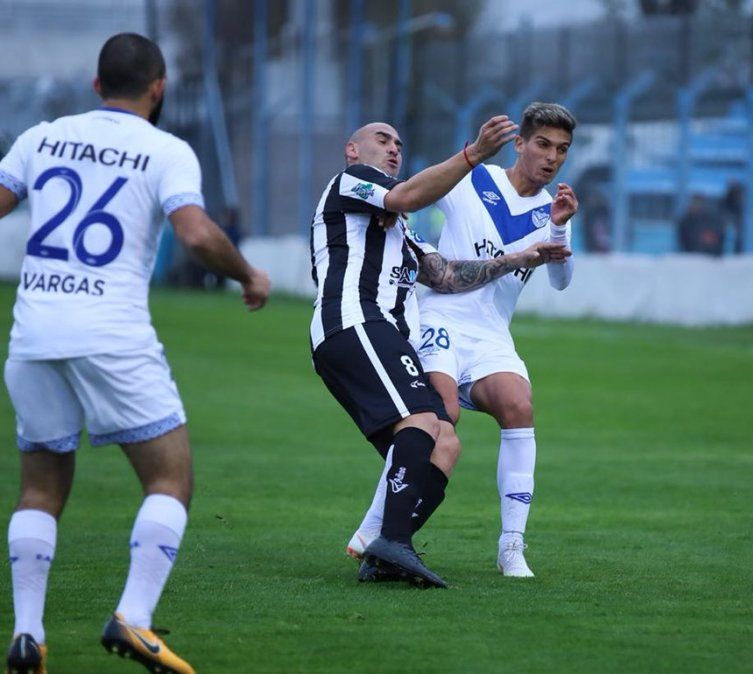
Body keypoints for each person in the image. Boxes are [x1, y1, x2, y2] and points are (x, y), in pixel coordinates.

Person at [0, 33, 271, 674]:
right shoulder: (165, 149)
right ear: (158, 89)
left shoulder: (40, 137)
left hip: (33, 336)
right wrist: (249, 275)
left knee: (39, 488)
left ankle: (28, 634)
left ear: (96, 85)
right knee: (169, 478)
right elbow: (197, 232)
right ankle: (134, 618)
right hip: (110, 335)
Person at [311, 116, 570, 589]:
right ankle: (387, 537)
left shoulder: (401, 230)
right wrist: (472, 154)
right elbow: (405, 194)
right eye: (382, 140)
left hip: (386, 332)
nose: (393, 148)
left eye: (399, 143)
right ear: (352, 150)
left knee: (443, 441)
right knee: (426, 420)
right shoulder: (353, 182)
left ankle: (387, 551)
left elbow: (446, 275)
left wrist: (518, 259)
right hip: (356, 320)